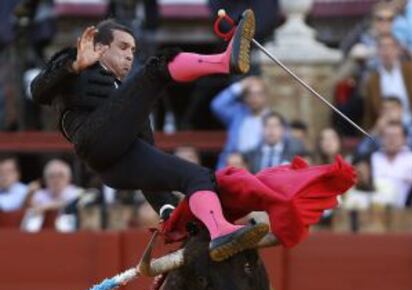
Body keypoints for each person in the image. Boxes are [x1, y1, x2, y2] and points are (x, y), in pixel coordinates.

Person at [30, 12, 268, 262]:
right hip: (92, 140)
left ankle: (220, 231)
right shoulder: (75, 64)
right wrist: (74, 65)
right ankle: (223, 60)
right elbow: (37, 91)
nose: (129, 55)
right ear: (99, 47)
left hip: (114, 166)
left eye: (132, 49)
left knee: (197, 176)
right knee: (157, 67)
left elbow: (149, 156)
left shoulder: (130, 101)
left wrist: (167, 210)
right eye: (122, 47)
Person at [211, 76, 271, 168]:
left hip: (259, 169)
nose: (254, 98)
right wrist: (240, 86)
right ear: (245, 97)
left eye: (258, 94)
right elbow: (217, 105)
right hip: (234, 165)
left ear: (266, 96)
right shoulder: (238, 114)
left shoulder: (273, 120)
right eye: (250, 94)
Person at [363, 34, 412, 128]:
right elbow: (369, 115)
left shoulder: (411, 71)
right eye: (382, 47)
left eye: (390, 47)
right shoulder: (372, 81)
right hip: (386, 129)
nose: (386, 52)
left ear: (398, 50)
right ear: (377, 51)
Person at [371, 121, 412, 207]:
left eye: (396, 136)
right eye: (387, 136)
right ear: (381, 138)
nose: (391, 140)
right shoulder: (372, 158)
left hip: (406, 210)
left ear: (404, 139)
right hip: (375, 209)